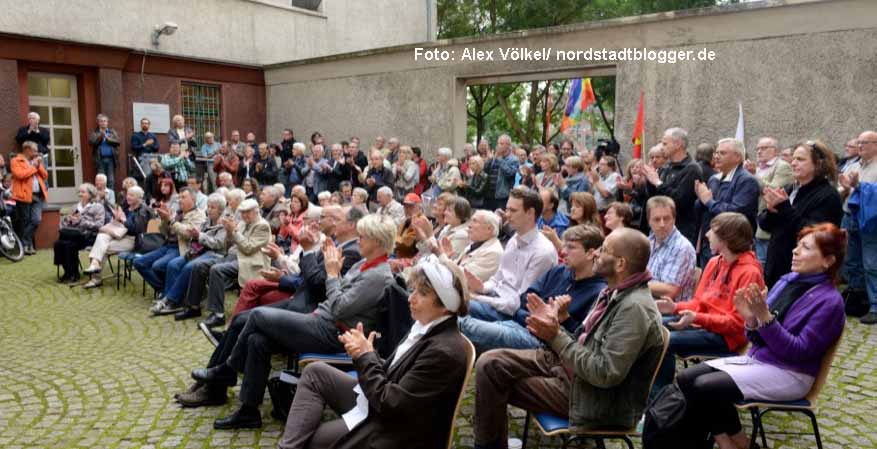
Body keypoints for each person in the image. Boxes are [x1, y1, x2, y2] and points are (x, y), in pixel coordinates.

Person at [184, 214, 394, 430]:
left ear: (377, 241)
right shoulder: (364, 264)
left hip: (334, 333)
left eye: (363, 236)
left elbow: (339, 307)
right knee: (258, 340)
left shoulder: (378, 276)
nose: (358, 239)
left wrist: (332, 274)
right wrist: (334, 274)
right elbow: (339, 298)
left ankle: (228, 369)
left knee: (256, 315)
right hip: (322, 320)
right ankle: (248, 411)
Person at [473, 228, 664, 449]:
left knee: (495, 383)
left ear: (620, 264)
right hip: (570, 371)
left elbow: (604, 373)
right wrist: (562, 321)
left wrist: (555, 335)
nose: (596, 254)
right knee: (489, 363)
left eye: (604, 250)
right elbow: (584, 342)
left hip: (597, 399)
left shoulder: (634, 309)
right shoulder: (615, 292)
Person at [673, 223, 846, 449]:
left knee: (705, 387)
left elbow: (798, 352)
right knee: (686, 379)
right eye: (798, 245)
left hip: (791, 373)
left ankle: (731, 445)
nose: (795, 251)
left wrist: (764, 318)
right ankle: (739, 444)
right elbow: (755, 337)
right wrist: (751, 319)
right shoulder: (787, 281)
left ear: (828, 261)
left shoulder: (830, 302)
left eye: (805, 248)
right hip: (760, 361)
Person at [278, 254, 470, 449]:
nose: (411, 298)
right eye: (414, 290)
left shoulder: (444, 351)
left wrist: (365, 357)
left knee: (314, 440)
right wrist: (367, 352)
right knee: (315, 373)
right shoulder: (426, 326)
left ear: (445, 305)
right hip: (381, 408)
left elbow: (391, 405)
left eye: (422, 294)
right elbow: (397, 373)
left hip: (394, 431)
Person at [650, 212, 765, 397]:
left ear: (726, 239)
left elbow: (737, 324)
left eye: (712, 230)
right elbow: (699, 302)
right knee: (652, 326)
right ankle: (647, 389)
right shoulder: (714, 262)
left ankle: (659, 397)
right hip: (703, 326)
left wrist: (696, 318)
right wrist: (675, 308)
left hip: (726, 339)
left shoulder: (749, 273)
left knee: (664, 340)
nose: (707, 234)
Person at [460, 224, 607, 353]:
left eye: (571, 248)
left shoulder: (598, 292)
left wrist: (564, 318)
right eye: (565, 246)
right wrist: (540, 313)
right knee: (459, 307)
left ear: (590, 253)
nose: (563, 252)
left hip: (543, 343)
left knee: (465, 325)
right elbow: (526, 298)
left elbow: (580, 337)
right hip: (520, 323)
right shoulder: (559, 271)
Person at [465, 187, 557, 322]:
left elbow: (517, 304)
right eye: (507, 209)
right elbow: (497, 279)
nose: (507, 215)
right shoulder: (514, 240)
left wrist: (479, 298)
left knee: (453, 304)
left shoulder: (543, 252)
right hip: (496, 300)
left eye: (513, 210)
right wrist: (482, 288)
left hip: (510, 316)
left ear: (530, 213)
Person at [759, 140, 842, 287]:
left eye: (801, 159)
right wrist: (771, 211)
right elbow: (765, 225)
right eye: (793, 158)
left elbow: (813, 234)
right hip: (776, 265)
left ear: (818, 164)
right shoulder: (789, 188)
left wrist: (784, 208)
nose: (793, 163)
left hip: (804, 272)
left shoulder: (828, 195)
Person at [152, 193, 230, 318]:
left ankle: (169, 300)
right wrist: (196, 237)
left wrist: (199, 236)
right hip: (200, 251)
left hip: (216, 254)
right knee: (174, 264)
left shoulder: (225, 223)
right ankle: (175, 299)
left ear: (221, 209)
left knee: (190, 266)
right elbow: (196, 237)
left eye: (213, 207)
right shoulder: (207, 220)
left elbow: (219, 244)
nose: (209, 209)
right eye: (208, 206)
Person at [693, 138, 760, 267]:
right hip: (710, 243)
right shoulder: (714, 179)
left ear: (737, 157)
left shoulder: (746, 181)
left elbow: (735, 214)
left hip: (733, 247)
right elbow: (703, 210)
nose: (717, 157)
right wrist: (700, 198)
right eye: (716, 153)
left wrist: (708, 201)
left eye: (722, 153)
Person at [134, 188, 207, 294]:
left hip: (180, 247)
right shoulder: (177, 214)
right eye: (179, 197)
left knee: (158, 266)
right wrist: (164, 219)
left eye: (183, 197)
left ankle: (169, 294)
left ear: (193, 199)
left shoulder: (199, 214)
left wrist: (170, 220)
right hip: (167, 245)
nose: (180, 200)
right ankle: (164, 291)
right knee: (139, 262)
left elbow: (188, 234)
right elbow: (163, 232)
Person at [642, 127, 702, 244]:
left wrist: (658, 183)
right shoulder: (666, 167)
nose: (661, 146)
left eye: (665, 143)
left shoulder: (692, 169)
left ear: (678, 144)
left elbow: (679, 201)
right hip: (659, 230)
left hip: (681, 232)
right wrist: (650, 180)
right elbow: (653, 198)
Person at [82, 186, 151, 288]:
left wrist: (123, 220)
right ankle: (95, 264)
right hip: (118, 234)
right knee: (101, 237)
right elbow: (117, 217)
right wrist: (116, 217)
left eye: (131, 195)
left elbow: (137, 229)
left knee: (101, 249)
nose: (128, 197)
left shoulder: (142, 210)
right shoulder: (127, 206)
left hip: (132, 239)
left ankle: (95, 278)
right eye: (128, 194)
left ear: (139, 198)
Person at [841, 130, 877, 324]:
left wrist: (859, 186)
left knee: (871, 264)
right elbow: (843, 190)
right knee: (852, 261)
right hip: (850, 216)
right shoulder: (854, 165)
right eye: (859, 142)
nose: (860, 145)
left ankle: (875, 305)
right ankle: (858, 299)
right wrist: (845, 187)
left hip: (870, 221)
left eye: (865, 142)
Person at [751, 136, 794, 268]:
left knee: (765, 264)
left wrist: (753, 176)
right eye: (757, 148)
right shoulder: (758, 168)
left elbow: (774, 191)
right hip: (755, 222)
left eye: (763, 148)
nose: (759, 151)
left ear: (775, 151)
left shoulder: (782, 166)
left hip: (769, 223)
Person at [646, 196, 697, 301]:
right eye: (656, 219)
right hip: (648, 301)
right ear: (649, 221)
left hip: (671, 311)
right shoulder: (649, 241)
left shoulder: (682, 248)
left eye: (666, 218)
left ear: (674, 219)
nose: (662, 224)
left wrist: (635, 282)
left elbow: (670, 291)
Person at [53, 183, 106, 282]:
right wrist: (68, 220)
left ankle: (73, 274)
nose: (80, 194)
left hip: (88, 236)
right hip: (73, 234)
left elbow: (99, 225)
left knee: (68, 244)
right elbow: (63, 223)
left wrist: (81, 221)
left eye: (83, 192)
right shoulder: (75, 206)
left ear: (90, 194)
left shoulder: (97, 207)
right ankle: (68, 272)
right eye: (79, 192)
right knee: (59, 244)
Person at [10, 141, 48, 254]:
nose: (37, 153)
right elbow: (20, 175)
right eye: (35, 150)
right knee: (25, 221)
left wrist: (38, 166)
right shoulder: (16, 160)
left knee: (36, 220)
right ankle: (27, 246)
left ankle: (24, 243)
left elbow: (45, 175)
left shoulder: (35, 161)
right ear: (27, 150)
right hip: (24, 194)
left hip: (37, 195)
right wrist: (33, 166)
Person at [88, 114, 121, 189]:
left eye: (105, 121)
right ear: (98, 123)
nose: (103, 123)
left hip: (111, 160)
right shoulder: (95, 133)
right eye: (101, 121)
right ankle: (101, 198)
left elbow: (117, 142)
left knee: (111, 180)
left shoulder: (112, 132)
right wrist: (100, 136)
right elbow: (91, 142)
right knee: (101, 181)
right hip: (100, 160)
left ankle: (110, 198)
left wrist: (107, 138)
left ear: (107, 122)